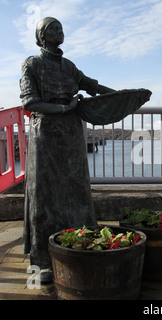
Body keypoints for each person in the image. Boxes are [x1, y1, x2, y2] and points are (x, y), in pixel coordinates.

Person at [20, 17, 115, 283]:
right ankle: (41, 261)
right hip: (46, 133)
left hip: (72, 132)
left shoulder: (68, 66)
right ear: (42, 35)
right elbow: (30, 101)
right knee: (45, 193)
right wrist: (62, 108)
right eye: (53, 28)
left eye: (61, 28)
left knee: (76, 188)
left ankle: (81, 245)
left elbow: (91, 86)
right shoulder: (33, 64)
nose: (59, 31)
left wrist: (123, 96)